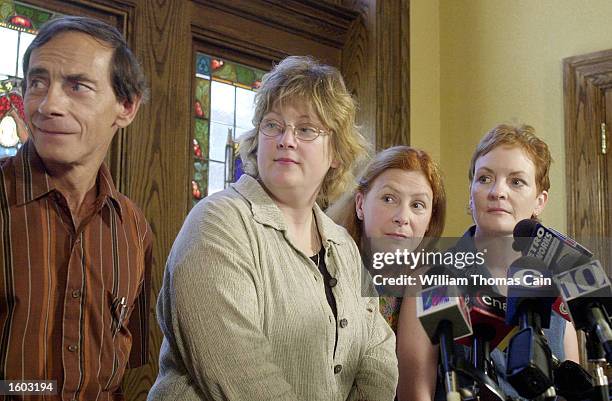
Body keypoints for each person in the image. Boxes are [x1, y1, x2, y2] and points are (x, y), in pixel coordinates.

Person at [148, 56, 398, 401]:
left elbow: (377, 350)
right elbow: (242, 374)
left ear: (337, 153)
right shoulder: (217, 222)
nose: (286, 140)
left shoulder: (342, 244)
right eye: (273, 125)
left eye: (306, 129)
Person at [0, 16, 152, 400]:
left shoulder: (133, 228)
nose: (48, 104)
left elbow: (125, 370)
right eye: (37, 83)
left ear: (126, 107)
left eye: (77, 86)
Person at [399, 123, 579, 401]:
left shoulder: (558, 290)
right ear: (470, 194)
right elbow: (415, 394)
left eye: (516, 181)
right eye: (484, 178)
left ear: (539, 201)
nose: (497, 191)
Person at [327, 145, 446, 400]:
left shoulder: (438, 284)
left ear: (429, 222)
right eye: (389, 199)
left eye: (417, 205)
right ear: (360, 204)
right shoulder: (327, 268)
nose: (402, 217)